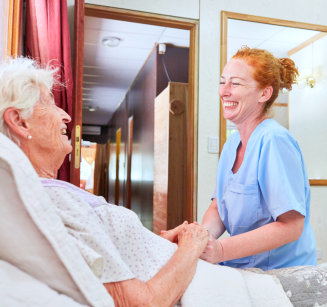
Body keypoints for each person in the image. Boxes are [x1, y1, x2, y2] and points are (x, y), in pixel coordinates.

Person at [0, 57, 209, 306]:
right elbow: (139, 303)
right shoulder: (52, 200)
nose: (65, 116)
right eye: (51, 103)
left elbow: (106, 255)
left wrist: (154, 243)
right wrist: (191, 245)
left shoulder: (50, 194)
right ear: (20, 121)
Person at [200, 46, 317, 270]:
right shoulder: (232, 144)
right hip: (243, 270)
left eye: (235, 83)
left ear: (264, 93)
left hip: (282, 274)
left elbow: (292, 226)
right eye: (222, 81)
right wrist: (200, 238)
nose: (224, 91)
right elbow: (219, 206)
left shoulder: (274, 141)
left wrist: (221, 250)